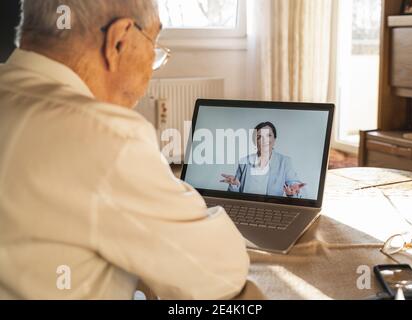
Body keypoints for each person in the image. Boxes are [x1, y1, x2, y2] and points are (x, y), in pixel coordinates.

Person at [0, 0, 249, 300]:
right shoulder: (108, 137)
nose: (152, 68)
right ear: (119, 40)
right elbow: (221, 274)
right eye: (153, 46)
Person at [221, 122, 306, 198]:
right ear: (255, 141)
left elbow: (294, 185)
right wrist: (234, 186)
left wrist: (292, 192)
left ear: (274, 139)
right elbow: (234, 196)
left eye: (269, 135)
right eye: (259, 137)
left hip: (271, 209)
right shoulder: (244, 161)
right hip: (246, 206)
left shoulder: (284, 161)